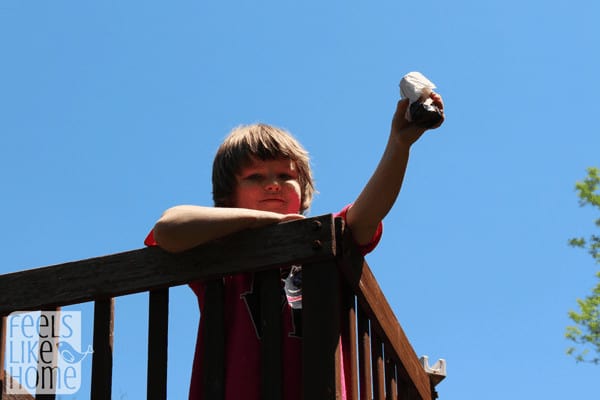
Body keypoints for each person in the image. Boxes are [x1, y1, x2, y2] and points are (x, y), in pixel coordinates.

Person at [144, 93, 445, 400]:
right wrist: (259, 220)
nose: (272, 184)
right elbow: (168, 228)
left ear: (303, 193)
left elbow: (368, 213)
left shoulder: (318, 240)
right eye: (254, 176)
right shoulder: (219, 250)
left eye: (285, 176)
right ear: (227, 199)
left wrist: (399, 145)